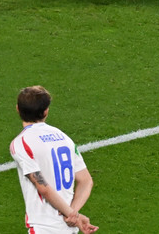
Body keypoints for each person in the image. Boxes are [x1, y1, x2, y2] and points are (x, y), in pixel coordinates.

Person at [9, 86, 98, 234]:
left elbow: (43, 187)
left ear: (17, 109)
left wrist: (72, 215)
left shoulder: (21, 143)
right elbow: (86, 180)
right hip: (68, 228)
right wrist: (73, 213)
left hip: (44, 227)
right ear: (46, 111)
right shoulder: (64, 137)